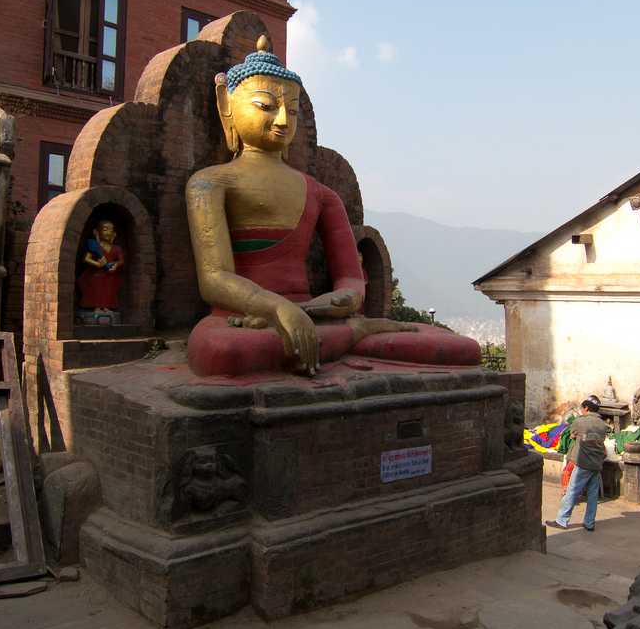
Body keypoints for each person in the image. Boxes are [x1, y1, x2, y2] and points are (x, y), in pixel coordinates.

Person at [185, 35, 482, 377]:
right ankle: (350, 337)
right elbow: (214, 279)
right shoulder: (210, 182)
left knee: (457, 347)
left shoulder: (321, 194)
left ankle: (345, 333)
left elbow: (351, 280)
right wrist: (277, 308)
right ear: (227, 105)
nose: (282, 120)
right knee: (222, 353)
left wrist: (341, 300)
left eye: (291, 110)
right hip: (241, 320)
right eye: (266, 106)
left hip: (317, 316)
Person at [546, 395, 610, 532]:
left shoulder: (580, 421)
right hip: (597, 463)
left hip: (583, 462)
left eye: (582, 408)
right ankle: (589, 523)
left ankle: (561, 520)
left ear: (586, 408)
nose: (581, 410)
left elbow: (572, 435)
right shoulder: (602, 425)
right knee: (593, 494)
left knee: (572, 491)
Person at [77, 219, 124, 313]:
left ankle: (106, 307)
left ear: (114, 233)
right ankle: (97, 307)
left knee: (109, 290)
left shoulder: (116, 248)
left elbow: (121, 261)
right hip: (96, 274)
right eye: (105, 229)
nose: (108, 232)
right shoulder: (95, 246)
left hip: (110, 274)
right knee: (97, 287)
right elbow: (86, 259)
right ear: (97, 232)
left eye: (111, 230)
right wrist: (97, 264)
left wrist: (115, 265)